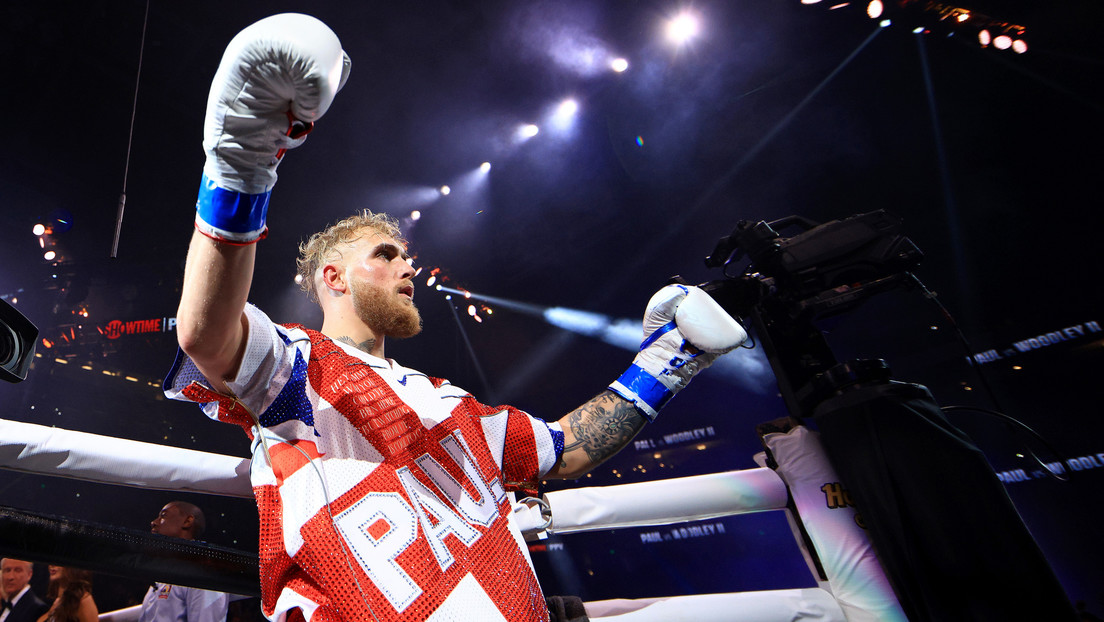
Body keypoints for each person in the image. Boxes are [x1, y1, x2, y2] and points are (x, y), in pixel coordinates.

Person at [164, 13, 745, 622]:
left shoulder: (455, 404)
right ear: (332, 278)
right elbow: (205, 331)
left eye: (406, 256)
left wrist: (667, 359)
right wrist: (244, 162)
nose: (407, 268)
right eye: (385, 256)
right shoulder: (293, 363)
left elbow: (567, 448)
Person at [140, 502, 230, 622]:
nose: (154, 522)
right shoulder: (163, 572)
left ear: (187, 521)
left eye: (163, 516)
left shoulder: (203, 570)